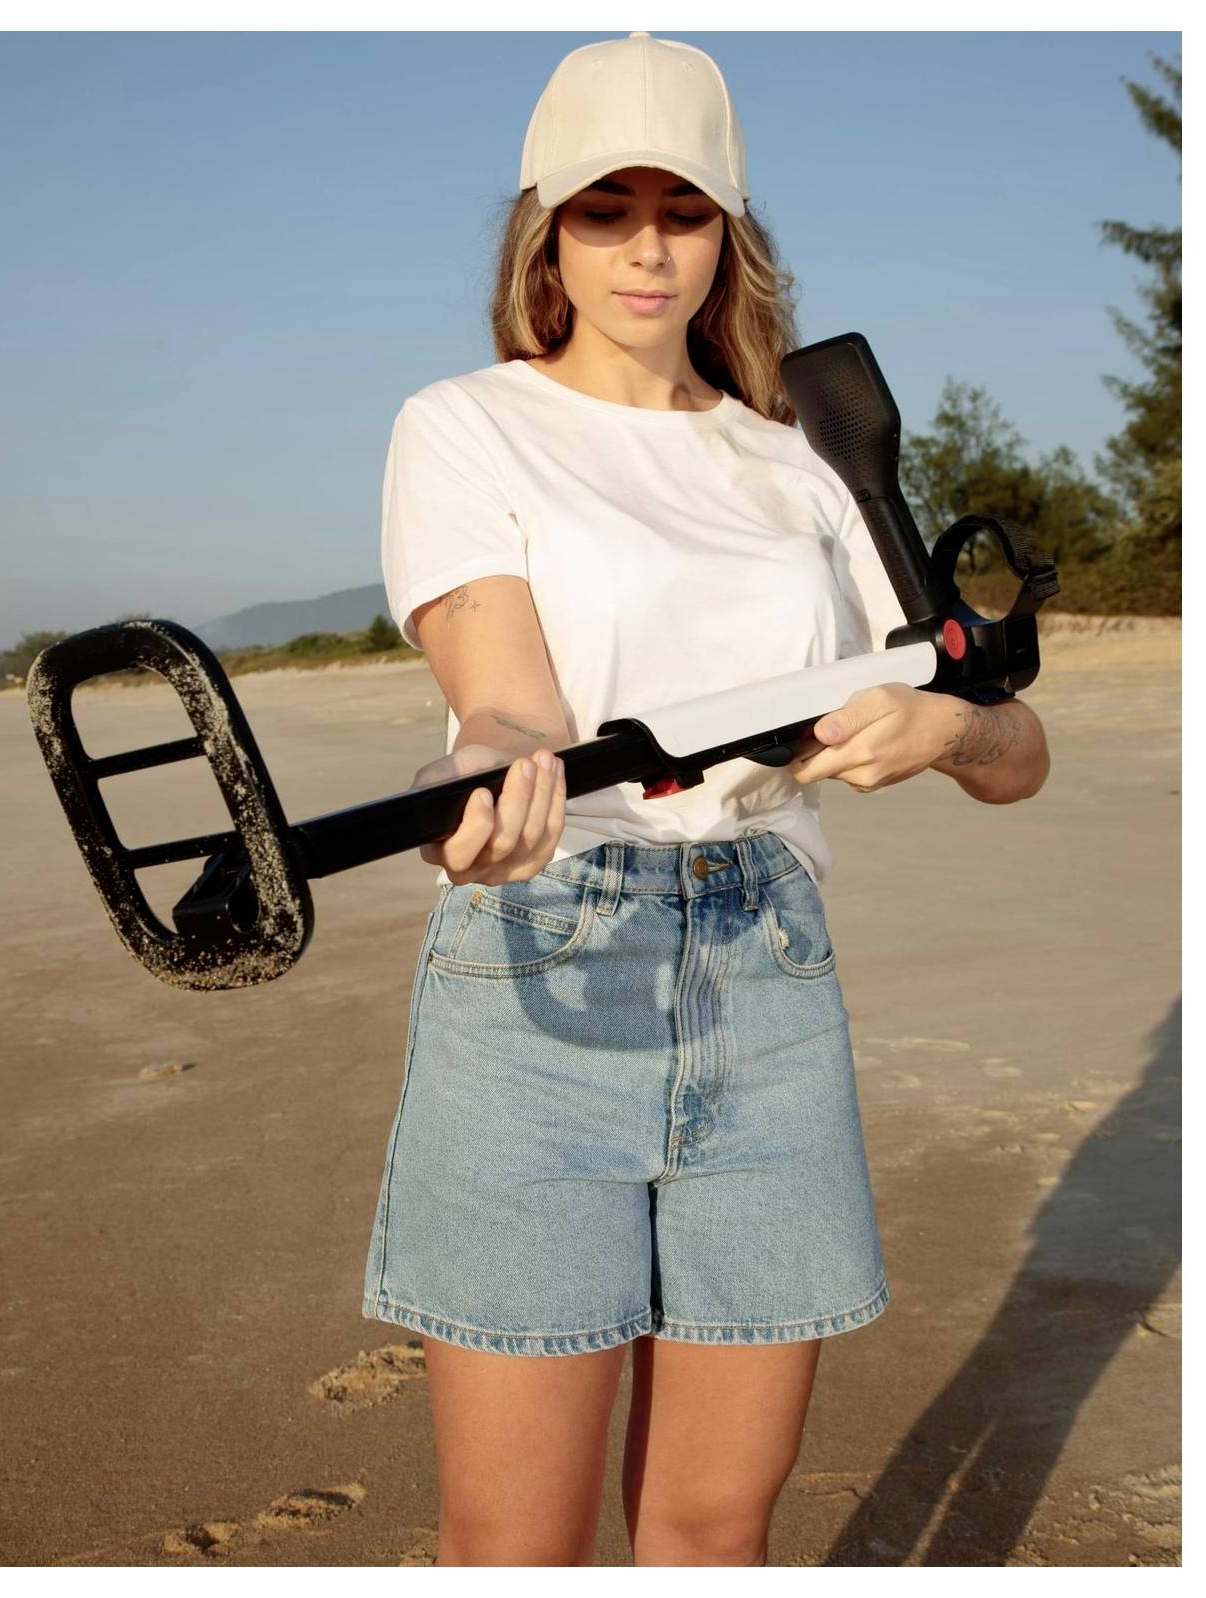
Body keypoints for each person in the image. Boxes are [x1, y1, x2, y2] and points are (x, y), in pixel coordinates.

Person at [361, 32, 1047, 1568]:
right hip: (547, 965)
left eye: (683, 208)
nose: (647, 246)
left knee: (710, 1524)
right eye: (608, 209)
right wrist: (477, 784)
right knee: (516, 1542)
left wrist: (940, 731)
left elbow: (1020, 752)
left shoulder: (809, 465)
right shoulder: (465, 425)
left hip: (769, 973)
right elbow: (506, 701)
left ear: (729, 228)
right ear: (548, 228)